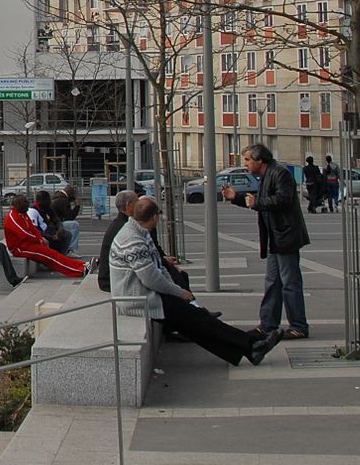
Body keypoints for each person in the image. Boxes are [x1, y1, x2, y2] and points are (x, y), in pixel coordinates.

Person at [112, 198, 282, 367]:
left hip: (146, 294)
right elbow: (150, 278)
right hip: (136, 299)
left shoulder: (140, 233)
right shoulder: (132, 240)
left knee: (195, 320)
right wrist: (179, 292)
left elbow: (159, 267)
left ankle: (251, 347)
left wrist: (176, 289)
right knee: (195, 318)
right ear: (154, 217)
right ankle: (251, 345)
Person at [229, 144, 310, 340]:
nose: (245, 164)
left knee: (290, 282)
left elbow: (282, 199)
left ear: (260, 160)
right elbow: (260, 200)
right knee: (273, 282)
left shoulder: (279, 173)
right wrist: (238, 198)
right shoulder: (266, 175)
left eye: (248, 160)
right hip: (276, 237)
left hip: (285, 236)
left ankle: (298, 325)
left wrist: (255, 203)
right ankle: (267, 324)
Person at [96, 189, 192, 295]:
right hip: (117, 281)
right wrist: (179, 292)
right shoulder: (126, 230)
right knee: (175, 279)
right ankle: (191, 305)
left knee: (177, 275)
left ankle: (191, 305)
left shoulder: (125, 223)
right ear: (129, 205)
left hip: (124, 275)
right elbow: (147, 272)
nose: (140, 204)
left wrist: (164, 262)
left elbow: (150, 253)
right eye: (137, 202)